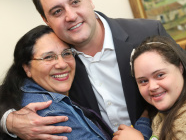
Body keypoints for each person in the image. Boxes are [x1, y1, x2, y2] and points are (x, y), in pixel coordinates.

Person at [1, 0, 186, 140]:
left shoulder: (145, 32)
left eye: (75, 2)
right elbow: (9, 89)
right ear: (46, 20)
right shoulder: (56, 62)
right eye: (57, 11)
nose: (70, 16)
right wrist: (8, 121)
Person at [0, 25, 151, 140]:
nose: (61, 64)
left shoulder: (24, 91)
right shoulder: (48, 112)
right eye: (48, 57)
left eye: (66, 53)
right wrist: (144, 124)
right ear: (27, 68)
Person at [114, 35, 186, 140]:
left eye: (160, 75)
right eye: (143, 81)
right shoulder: (165, 111)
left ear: (180, 68)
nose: (152, 87)